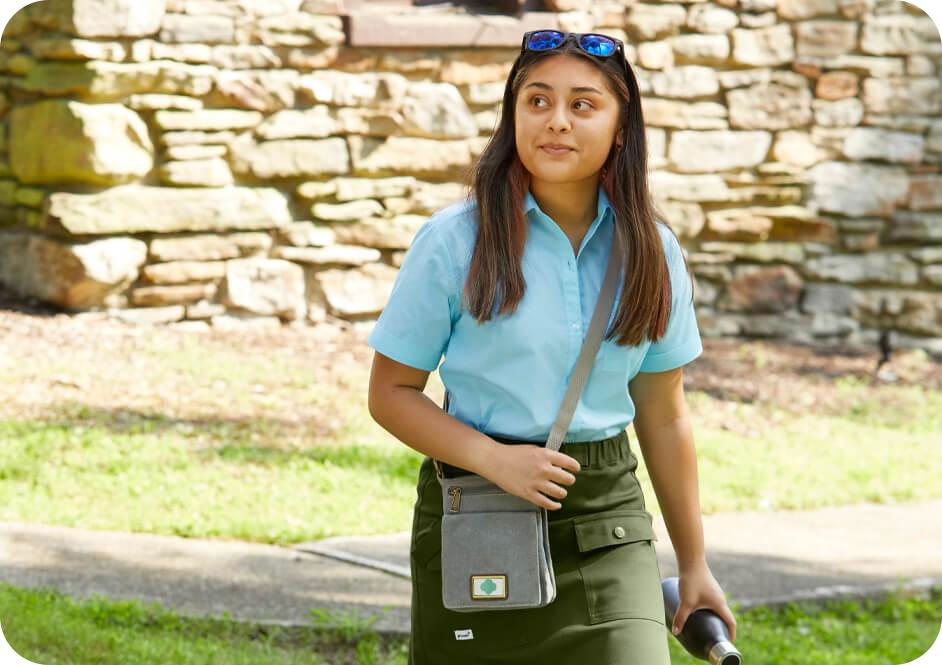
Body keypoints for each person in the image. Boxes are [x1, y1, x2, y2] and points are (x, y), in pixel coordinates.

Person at [367, 29, 737, 665]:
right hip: (476, 511)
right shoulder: (454, 242)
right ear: (513, 116)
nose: (556, 122)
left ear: (622, 128)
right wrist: (496, 460)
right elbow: (391, 393)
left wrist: (694, 562)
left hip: (608, 521)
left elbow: (664, 414)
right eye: (536, 102)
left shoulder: (653, 251)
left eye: (583, 105)